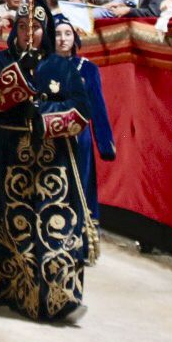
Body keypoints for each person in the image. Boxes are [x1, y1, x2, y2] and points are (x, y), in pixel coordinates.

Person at [0, 8, 96, 321]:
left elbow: (81, 111)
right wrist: (19, 75)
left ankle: (57, 299)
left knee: (53, 225)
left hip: (51, 155)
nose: (27, 33)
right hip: (6, 151)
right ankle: (0, 289)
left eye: (34, 27)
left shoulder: (62, 65)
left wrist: (44, 115)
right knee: (7, 222)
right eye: (21, 26)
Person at [52, 16, 115, 221]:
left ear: (75, 37)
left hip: (79, 138)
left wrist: (105, 145)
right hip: (49, 137)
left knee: (79, 185)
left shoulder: (87, 68)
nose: (63, 39)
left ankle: (81, 236)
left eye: (68, 34)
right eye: (58, 34)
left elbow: (98, 107)